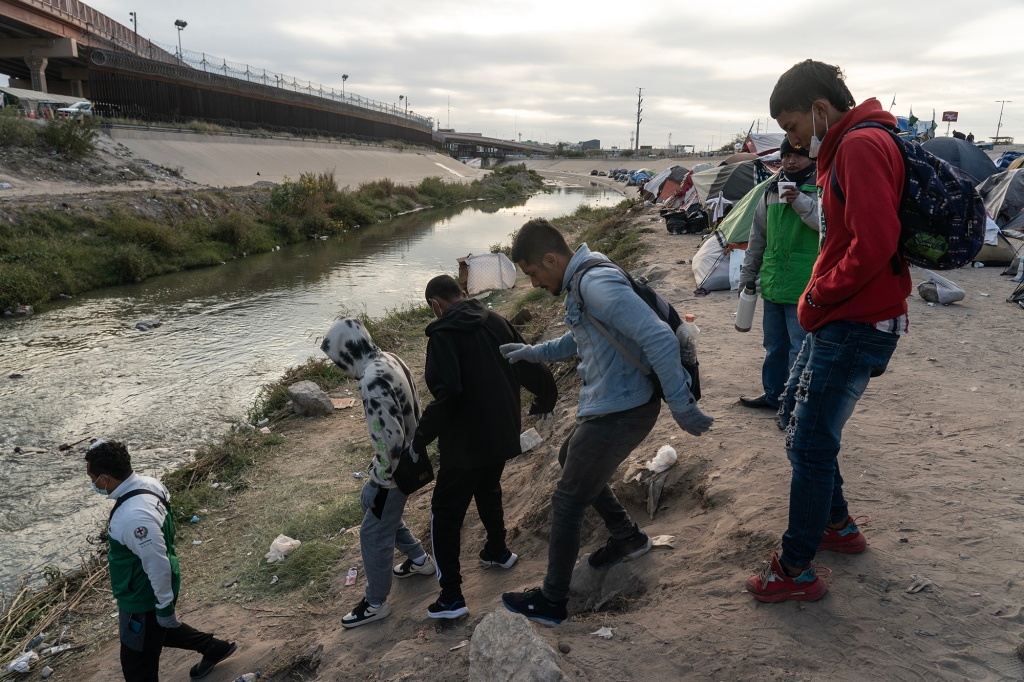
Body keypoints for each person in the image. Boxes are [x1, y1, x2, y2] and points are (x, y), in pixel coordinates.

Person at [746, 59, 911, 603]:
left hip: (854, 321)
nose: (792, 140)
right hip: (842, 319)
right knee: (796, 418)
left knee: (811, 442)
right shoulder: (852, 144)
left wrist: (817, 294)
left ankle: (795, 569)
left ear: (819, 110)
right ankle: (837, 527)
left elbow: (875, 243)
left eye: (792, 127)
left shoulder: (860, 146)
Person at [499, 218, 714, 625]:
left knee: (566, 501)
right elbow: (582, 338)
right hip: (613, 403)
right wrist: (533, 352)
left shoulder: (594, 285)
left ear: (550, 259)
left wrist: (682, 406)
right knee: (569, 456)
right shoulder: (585, 275)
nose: (533, 284)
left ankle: (552, 601)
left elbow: (658, 337)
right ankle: (627, 537)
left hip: (622, 409)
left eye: (532, 274)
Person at [412, 275, 557, 620]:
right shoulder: (496, 320)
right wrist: (546, 395)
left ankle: (451, 598)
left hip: (465, 443)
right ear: (462, 293)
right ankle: (497, 550)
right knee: (488, 487)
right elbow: (526, 360)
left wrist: (419, 439)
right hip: (502, 431)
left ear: (435, 304)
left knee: (444, 515)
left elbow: (448, 395)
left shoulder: (443, 334)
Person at [84, 440, 236, 681]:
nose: (92, 483)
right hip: (153, 586)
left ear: (104, 478)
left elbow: (156, 563)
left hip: (143, 597)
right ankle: (213, 648)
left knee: (137, 666)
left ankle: (208, 645)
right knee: (158, 631)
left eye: (92, 477)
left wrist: (164, 607)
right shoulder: (151, 485)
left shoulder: (132, 518)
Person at [321, 318, 436, 628]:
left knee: (373, 534)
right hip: (413, 455)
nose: (338, 366)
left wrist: (377, 480)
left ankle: (376, 604)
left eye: (337, 359)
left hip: (396, 470)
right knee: (375, 514)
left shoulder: (371, 381)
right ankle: (419, 560)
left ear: (346, 352)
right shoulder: (388, 358)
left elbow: (390, 441)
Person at [738, 137, 820, 411]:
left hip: (805, 284)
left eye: (799, 156)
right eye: (786, 156)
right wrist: (748, 275)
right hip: (773, 281)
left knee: (800, 349)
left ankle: (795, 405)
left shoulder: (819, 188)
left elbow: (828, 225)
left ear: (812, 158)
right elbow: (757, 236)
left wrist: (801, 202)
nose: (791, 161)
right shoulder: (771, 189)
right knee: (774, 346)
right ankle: (773, 395)